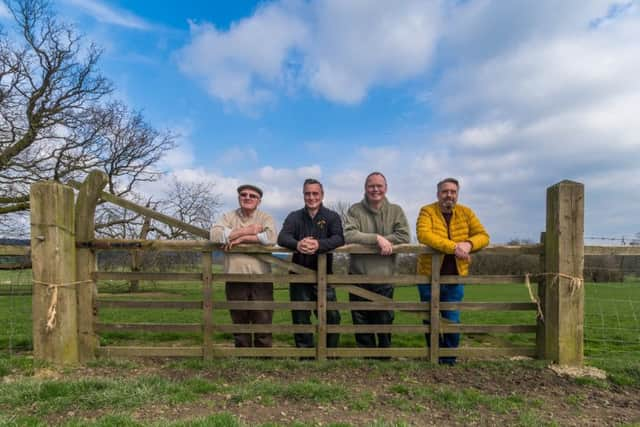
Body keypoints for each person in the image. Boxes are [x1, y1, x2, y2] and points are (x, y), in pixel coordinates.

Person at [416, 177, 489, 364]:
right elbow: (424, 235)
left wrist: (468, 243)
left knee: (452, 320)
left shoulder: (466, 213)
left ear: (457, 194)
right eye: (445, 191)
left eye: (453, 192)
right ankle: (433, 357)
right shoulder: (427, 211)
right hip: (428, 277)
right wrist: (454, 247)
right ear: (438, 193)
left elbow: (483, 235)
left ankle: (448, 360)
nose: (449, 195)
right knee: (429, 319)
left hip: (455, 278)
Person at [344, 172, 410, 349]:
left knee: (384, 319)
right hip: (358, 276)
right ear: (365, 188)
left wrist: (384, 239)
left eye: (379, 186)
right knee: (361, 320)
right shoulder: (354, 210)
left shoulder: (396, 211)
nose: (375, 189)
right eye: (371, 186)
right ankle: (367, 361)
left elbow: (404, 236)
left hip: (385, 276)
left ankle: (384, 358)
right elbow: (349, 234)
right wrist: (377, 239)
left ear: (386, 188)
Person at [277, 178, 344, 349]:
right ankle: (304, 354)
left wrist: (319, 245)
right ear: (303, 195)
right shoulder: (294, 216)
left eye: (315, 193)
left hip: (325, 276)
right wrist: (298, 244)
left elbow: (339, 238)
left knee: (332, 316)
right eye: (308, 193)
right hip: (298, 275)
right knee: (300, 317)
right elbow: (282, 237)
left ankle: (329, 352)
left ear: (322, 195)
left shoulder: (332, 216)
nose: (311, 197)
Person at [210, 184, 277, 348]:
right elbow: (215, 235)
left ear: (259, 201)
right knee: (238, 316)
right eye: (243, 194)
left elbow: (271, 237)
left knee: (263, 316)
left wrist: (238, 238)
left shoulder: (265, 217)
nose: (247, 198)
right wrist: (248, 230)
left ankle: (263, 354)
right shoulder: (228, 216)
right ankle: (243, 354)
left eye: (252, 196)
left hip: (260, 276)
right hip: (234, 276)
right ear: (239, 197)